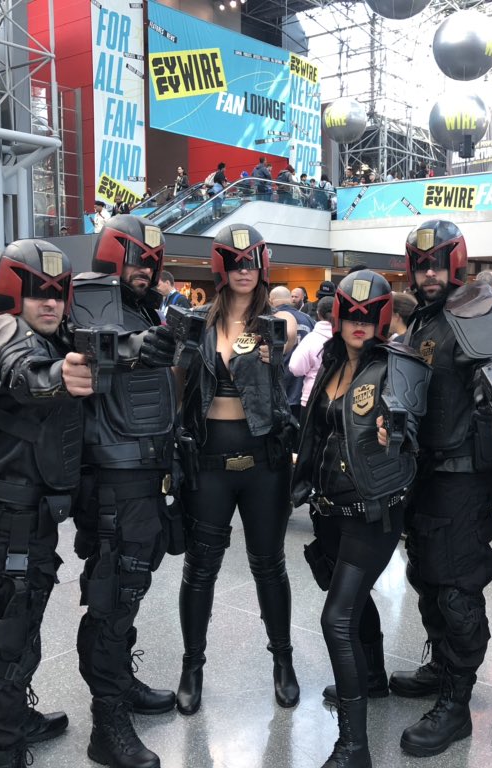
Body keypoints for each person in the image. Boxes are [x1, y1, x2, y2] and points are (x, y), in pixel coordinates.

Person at [0, 239, 92, 768]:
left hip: (31, 514)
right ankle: (2, 754)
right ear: (12, 292)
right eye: (35, 292)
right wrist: (57, 377)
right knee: (6, 645)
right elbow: (22, 371)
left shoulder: (56, 336)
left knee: (24, 628)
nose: (48, 302)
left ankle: (16, 720)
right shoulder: (0, 330)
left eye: (56, 293)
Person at [292, 270, 431, 768]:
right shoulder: (330, 360)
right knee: (351, 602)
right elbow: (317, 429)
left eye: (369, 315)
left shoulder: (398, 366)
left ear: (384, 318)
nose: (359, 322)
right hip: (329, 509)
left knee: (336, 618)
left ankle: (354, 747)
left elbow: (412, 426)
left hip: (371, 513)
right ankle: (371, 677)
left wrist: (396, 434)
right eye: (351, 313)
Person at [393, 219, 492, 757]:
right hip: (425, 471)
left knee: (456, 588)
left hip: (463, 475)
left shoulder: (474, 310)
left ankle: (456, 703)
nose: (429, 274)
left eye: (438, 264)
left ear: (457, 264)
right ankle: (442, 668)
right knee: (426, 577)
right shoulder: (427, 317)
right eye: (422, 265)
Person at [173, 223, 299, 717]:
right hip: (208, 459)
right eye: (236, 262)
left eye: (252, 262)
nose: (244, 271)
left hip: (264, 459)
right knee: (200, 567)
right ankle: (192, 666)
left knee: (269, 564)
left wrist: (271, 355)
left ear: (262, 266)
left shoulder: (276, 324)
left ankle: (283, 661)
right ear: (221, 267)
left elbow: (283, 353)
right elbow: (179, 385)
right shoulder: (197, 322)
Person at [70, 215, 180, 768]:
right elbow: (96, 346)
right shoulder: (89, 297)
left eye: (152, 262)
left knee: (127, 592)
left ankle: (119, 684)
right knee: (113, 596)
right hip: (112, 475)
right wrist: (139, 347)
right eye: (138, 259)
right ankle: (106, 722)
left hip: (143, 472)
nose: (146, 270)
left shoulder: (143, 307)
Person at [271, 285, 314, 420]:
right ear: (289, 299)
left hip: (277, 386)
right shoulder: (308, 319)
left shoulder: (270, 319)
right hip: (302, 387)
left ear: (271, 300)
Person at [289, 296, 334, 416]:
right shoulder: (346, 339)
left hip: (311, 396)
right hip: (339, 400)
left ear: (318, 313)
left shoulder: (311, 339)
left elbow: (296, 368)